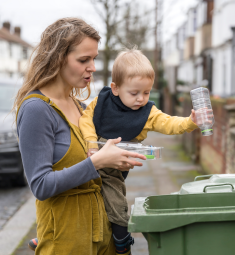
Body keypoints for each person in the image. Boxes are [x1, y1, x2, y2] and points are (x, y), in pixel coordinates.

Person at [14, 18, 146, 255]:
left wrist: (118, 160)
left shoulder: (82, 107)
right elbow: (41, 186)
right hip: (67, 242)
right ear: (57, 59)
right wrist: (98, 162)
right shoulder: (37, 109)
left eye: (94, 58)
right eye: (83, 59)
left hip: (103, 237)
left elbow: (98, 176)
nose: (92, 67)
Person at [77, 47, 203, 255]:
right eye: (134, 93)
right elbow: (85, 119)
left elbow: (169, 123)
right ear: (115, 88)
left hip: (112, 170)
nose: (141, 99)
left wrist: (190, 122)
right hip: (89, 157)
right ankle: (51, 236)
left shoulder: (148, 113)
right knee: (76, 197)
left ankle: (121, 240)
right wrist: (91, 144)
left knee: (116, 203)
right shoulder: (102, 101)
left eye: (146, 92)